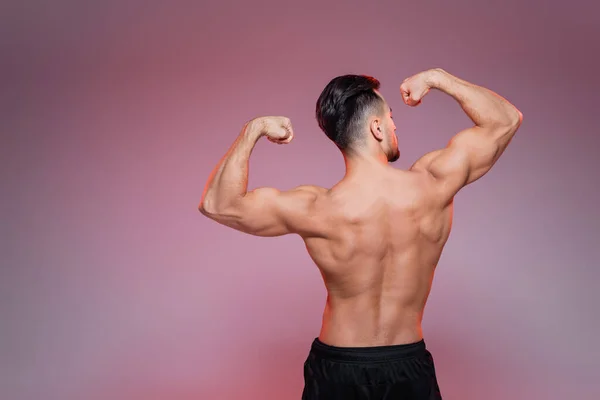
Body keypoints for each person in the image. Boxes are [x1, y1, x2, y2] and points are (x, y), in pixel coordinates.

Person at [199, 68, 523, 399]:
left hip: (338, 371)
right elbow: (505, 120)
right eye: (391, 118)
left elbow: (218, 203)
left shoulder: (317, 208)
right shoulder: (433, 185)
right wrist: (438, 79)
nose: (395, 126)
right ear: (377, 126)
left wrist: (251, 131)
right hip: (408, 366)